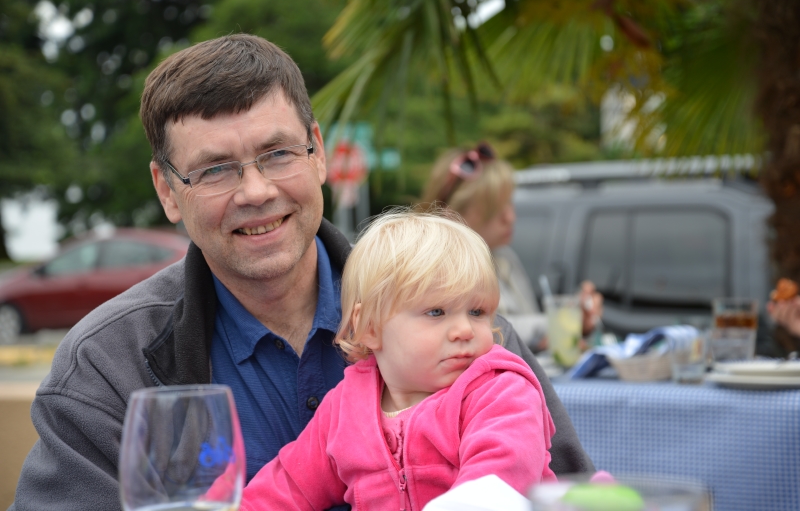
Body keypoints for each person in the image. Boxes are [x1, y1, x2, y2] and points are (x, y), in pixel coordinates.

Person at [11, 35, 592, 511]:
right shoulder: (109, 366)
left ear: (318, 152)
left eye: (278, 154)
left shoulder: (462, 329)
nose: (256, 191)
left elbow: (565, 492)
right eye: (215, 170)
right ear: (167, 190)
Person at [239, 209, 557, 510]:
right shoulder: (345, 408)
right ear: (371, 327)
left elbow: (498, 481)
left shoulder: (501, 393)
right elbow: (290, 485)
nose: (464, 330)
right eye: (436, 312)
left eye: (477, 312)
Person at [420, 142, 603, 353]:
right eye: (494, 209)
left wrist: (571, 319)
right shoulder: (435, 271)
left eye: (509, 203)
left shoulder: (504, 257)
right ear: (451, 214)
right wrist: (561, 322)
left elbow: (521, 329)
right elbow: (495, 330)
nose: (510, 217)